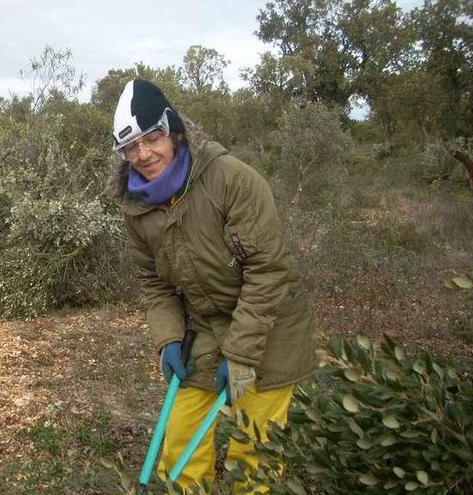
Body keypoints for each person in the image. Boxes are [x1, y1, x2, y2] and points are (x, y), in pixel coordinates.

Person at [107, 79, 316, 493]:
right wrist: (168, 337)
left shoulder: (232, 179)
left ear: (175, 130)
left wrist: (240, 353)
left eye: (152, 138)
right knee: (181, 439)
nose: (144, 154)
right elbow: (153, 281)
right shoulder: (136, 205)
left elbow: (268, 269)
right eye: (131, 147)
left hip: (270, 329)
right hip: (205, 329)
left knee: (254, 456)